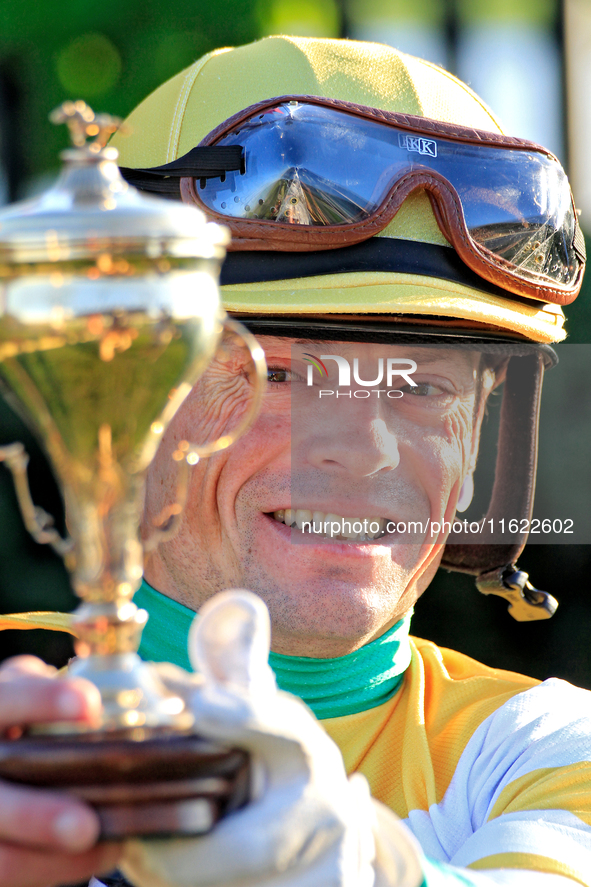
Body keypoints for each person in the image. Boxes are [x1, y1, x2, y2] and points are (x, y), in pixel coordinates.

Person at [1, 35, 590, 887]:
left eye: (421, 385)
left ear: (473, 448)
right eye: (277, 373)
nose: (363, 448)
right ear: (119, 402)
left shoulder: (545, 745)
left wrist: (330, 865)